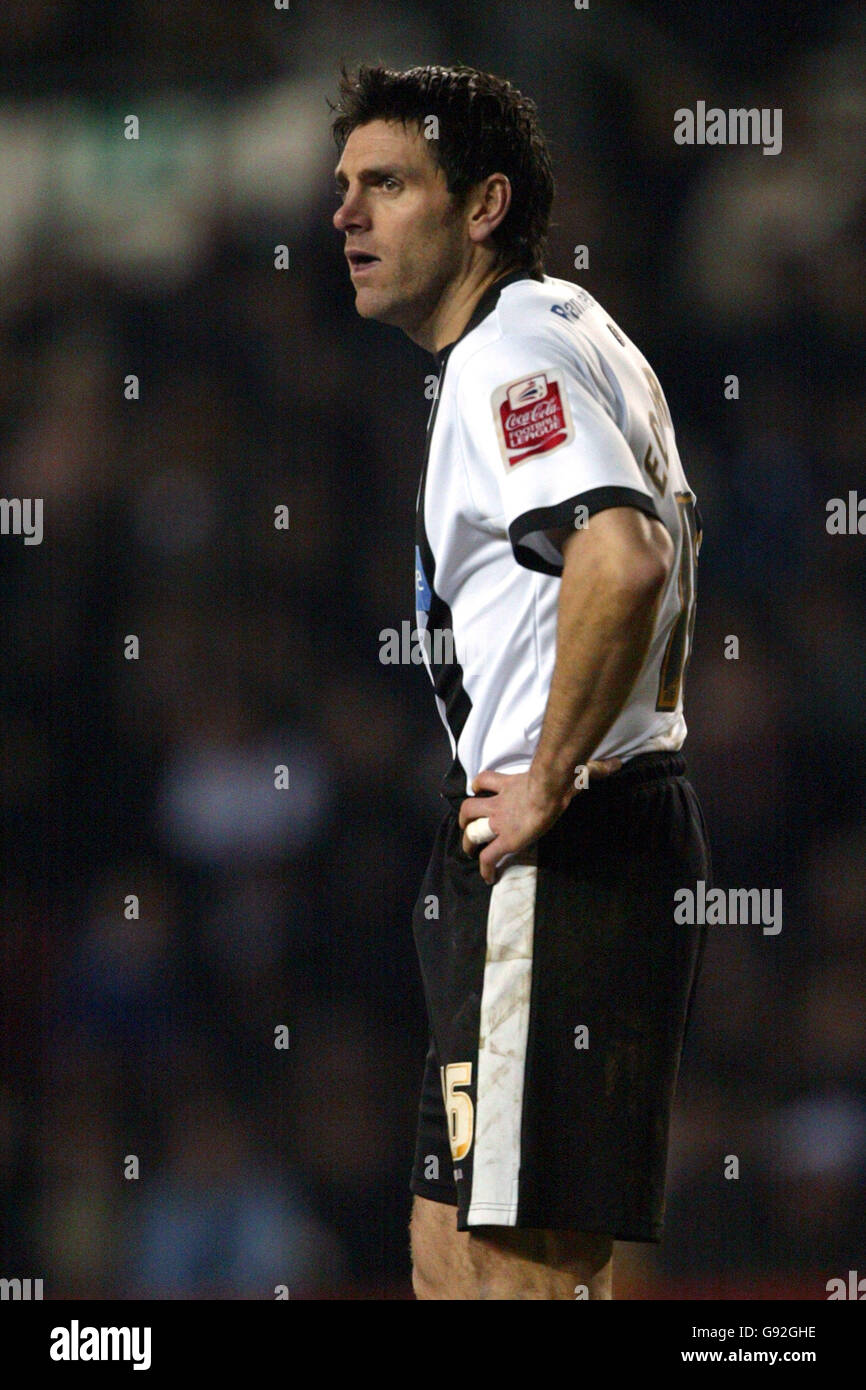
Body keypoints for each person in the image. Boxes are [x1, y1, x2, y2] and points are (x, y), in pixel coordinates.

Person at [331, 63, 710, 1301]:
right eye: (344, 187)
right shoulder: (563, 326)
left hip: (568, 836)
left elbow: (621, 553)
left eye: (385, 184)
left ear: (481, 204)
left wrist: (547, 782)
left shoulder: (509, 357)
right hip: (555, 841)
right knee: (454, 1254)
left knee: (515, 1276)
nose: (345, 215)